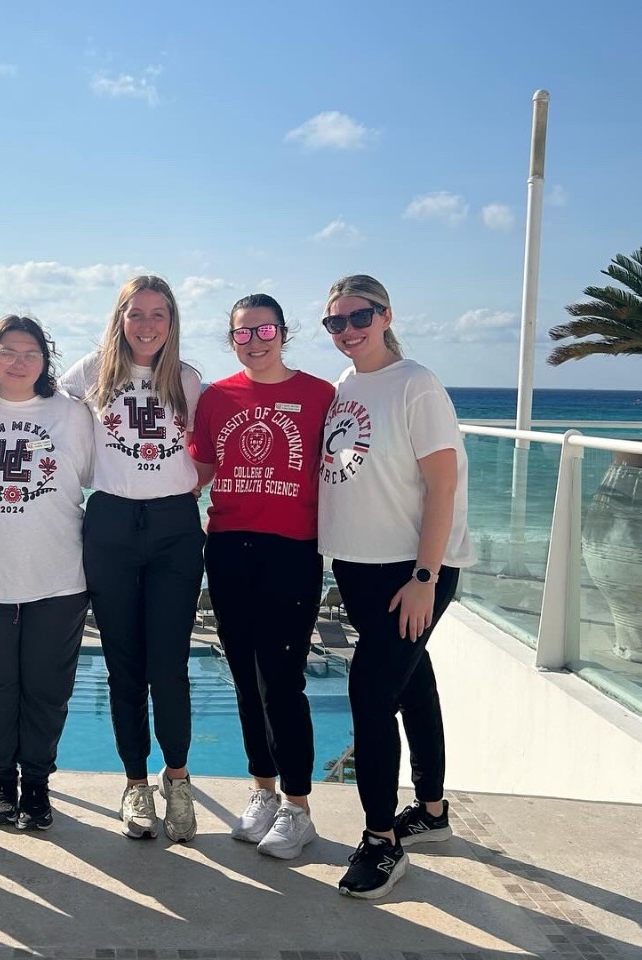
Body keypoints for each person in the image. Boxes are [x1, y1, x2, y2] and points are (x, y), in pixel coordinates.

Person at [316, 275, 474, 899]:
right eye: (336, 322)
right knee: (413, 683)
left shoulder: (417, 384)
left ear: (386, 316)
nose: (348, 330)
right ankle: (431, 812)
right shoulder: (343, 387)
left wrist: (424, 578)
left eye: (360, 317)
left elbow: (443, 486)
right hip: (358, 567)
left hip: (410, 571)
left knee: (369, 692)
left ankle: (381, 841)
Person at [58, 275, 205, 842]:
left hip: (173, 527)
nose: (147, 325)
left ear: (172, 322)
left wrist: (191, 488)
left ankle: (179, 779)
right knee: (124, 665)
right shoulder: (90, 372)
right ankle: (135, 785)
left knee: (168, 663)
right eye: (136, 314)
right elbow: (43, 408)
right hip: (111, 523)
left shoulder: (188, 381)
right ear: (120, 318)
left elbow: (213, 446)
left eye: (158, 315)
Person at [189, 293, 334, 860]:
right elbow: (198, 470)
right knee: (245, 680)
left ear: (283, 331)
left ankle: (299, 807)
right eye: (242, 333)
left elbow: (353, 468)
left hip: (292, 552)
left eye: (264, 329)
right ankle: (264, 793)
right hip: (227, 548)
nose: (254, 340)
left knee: (283, 680)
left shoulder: (320, 395)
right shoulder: (217, 397)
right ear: (231, 340)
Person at [0, 315, 95, 831]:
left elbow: (107, 473)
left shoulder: (73, 414)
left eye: (30, 352)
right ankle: (1, 780)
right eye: (7, 351)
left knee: (48, 688)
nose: (19, 361)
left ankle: (38, 784)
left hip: (57, 573)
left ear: (46, 360)